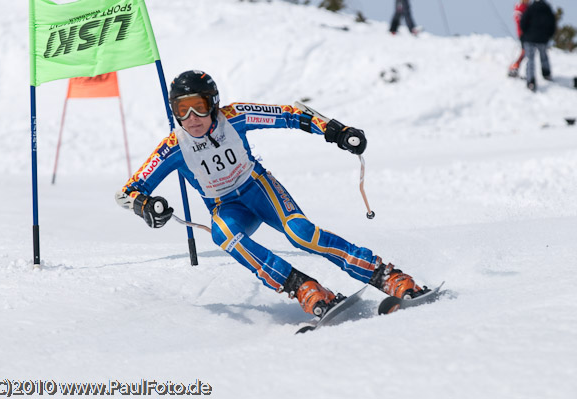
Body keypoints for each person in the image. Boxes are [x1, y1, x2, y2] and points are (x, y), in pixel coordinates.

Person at [115, 70, 430, 318]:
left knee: (301, 234)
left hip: (259, 190)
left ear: (212, 102)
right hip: (226, 207)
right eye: (182, 110)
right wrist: (145, 205)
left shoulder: (234, 116)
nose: (192, 118)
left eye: (198, 106)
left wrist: (336, 131)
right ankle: (304, 288)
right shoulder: (173, 147)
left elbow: (291, 113)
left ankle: (385, 276)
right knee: (222, 234)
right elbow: (128, 191)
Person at [520, 0, 557, 91]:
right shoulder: (547, 9)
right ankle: (546, 73)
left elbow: (523, 22)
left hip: (530, 38)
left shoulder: (531, 8)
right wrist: (548, 35)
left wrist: (524, 34)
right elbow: (552, 24)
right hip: (543, 38)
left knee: (530, 59)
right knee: (544, 56)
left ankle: (531, 80)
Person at [508, 0, 531, 78]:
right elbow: (519, 21)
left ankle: (515, 66)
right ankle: (514, 67)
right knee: (524, 51)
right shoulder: (520, 8)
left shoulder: (527, 8)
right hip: (523, 34)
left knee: (524, 51)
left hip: (526, 34)